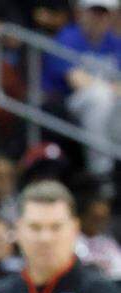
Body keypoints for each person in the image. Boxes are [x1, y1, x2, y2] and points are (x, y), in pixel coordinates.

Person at [41, 0, 121, 177]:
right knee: (99, 97)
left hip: (109, 101)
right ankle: (100, 172)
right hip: (68, 101)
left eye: (104, 13)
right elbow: (76, 81)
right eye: (94, 12)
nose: (99, 18)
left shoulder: (115, 43)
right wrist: (111, 88)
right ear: (81, 13)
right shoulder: (67, 37)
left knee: (108, 99)